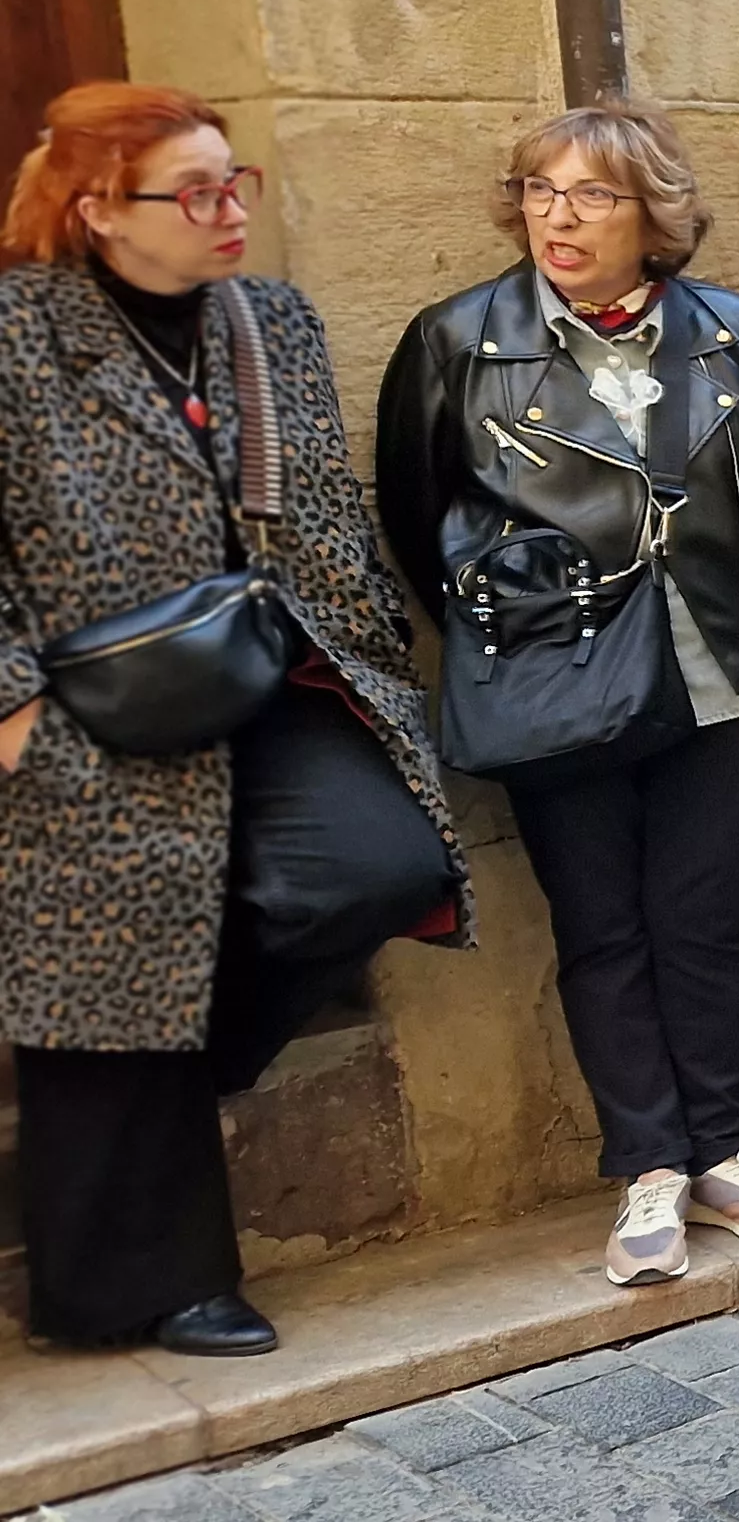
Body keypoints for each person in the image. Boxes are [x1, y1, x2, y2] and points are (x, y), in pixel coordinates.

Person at [2, 84, 465, 1354]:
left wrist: (364, 640)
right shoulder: (17, 333)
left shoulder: (271, 319)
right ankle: (144, 1290)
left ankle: (178, 1068)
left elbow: (321, 493)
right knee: (119, 946)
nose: (226, 212)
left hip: (273, 672)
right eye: (192, 191)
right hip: (89, 700)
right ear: (99, 209)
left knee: (378, 869)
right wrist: (15, 711)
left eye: (233, 183)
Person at [376, 103, 739, 1286]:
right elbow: (417, 523)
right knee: (602, 926)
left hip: (718, 668)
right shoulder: (457, 340)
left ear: (657, 216)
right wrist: (528, 629)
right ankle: (649, 1170)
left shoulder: (729, 333)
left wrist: (701, 597)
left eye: (591, 196)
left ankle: (724, 1151)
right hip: (553, 677)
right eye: (538, 189)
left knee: (702, 919)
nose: (556, 218)